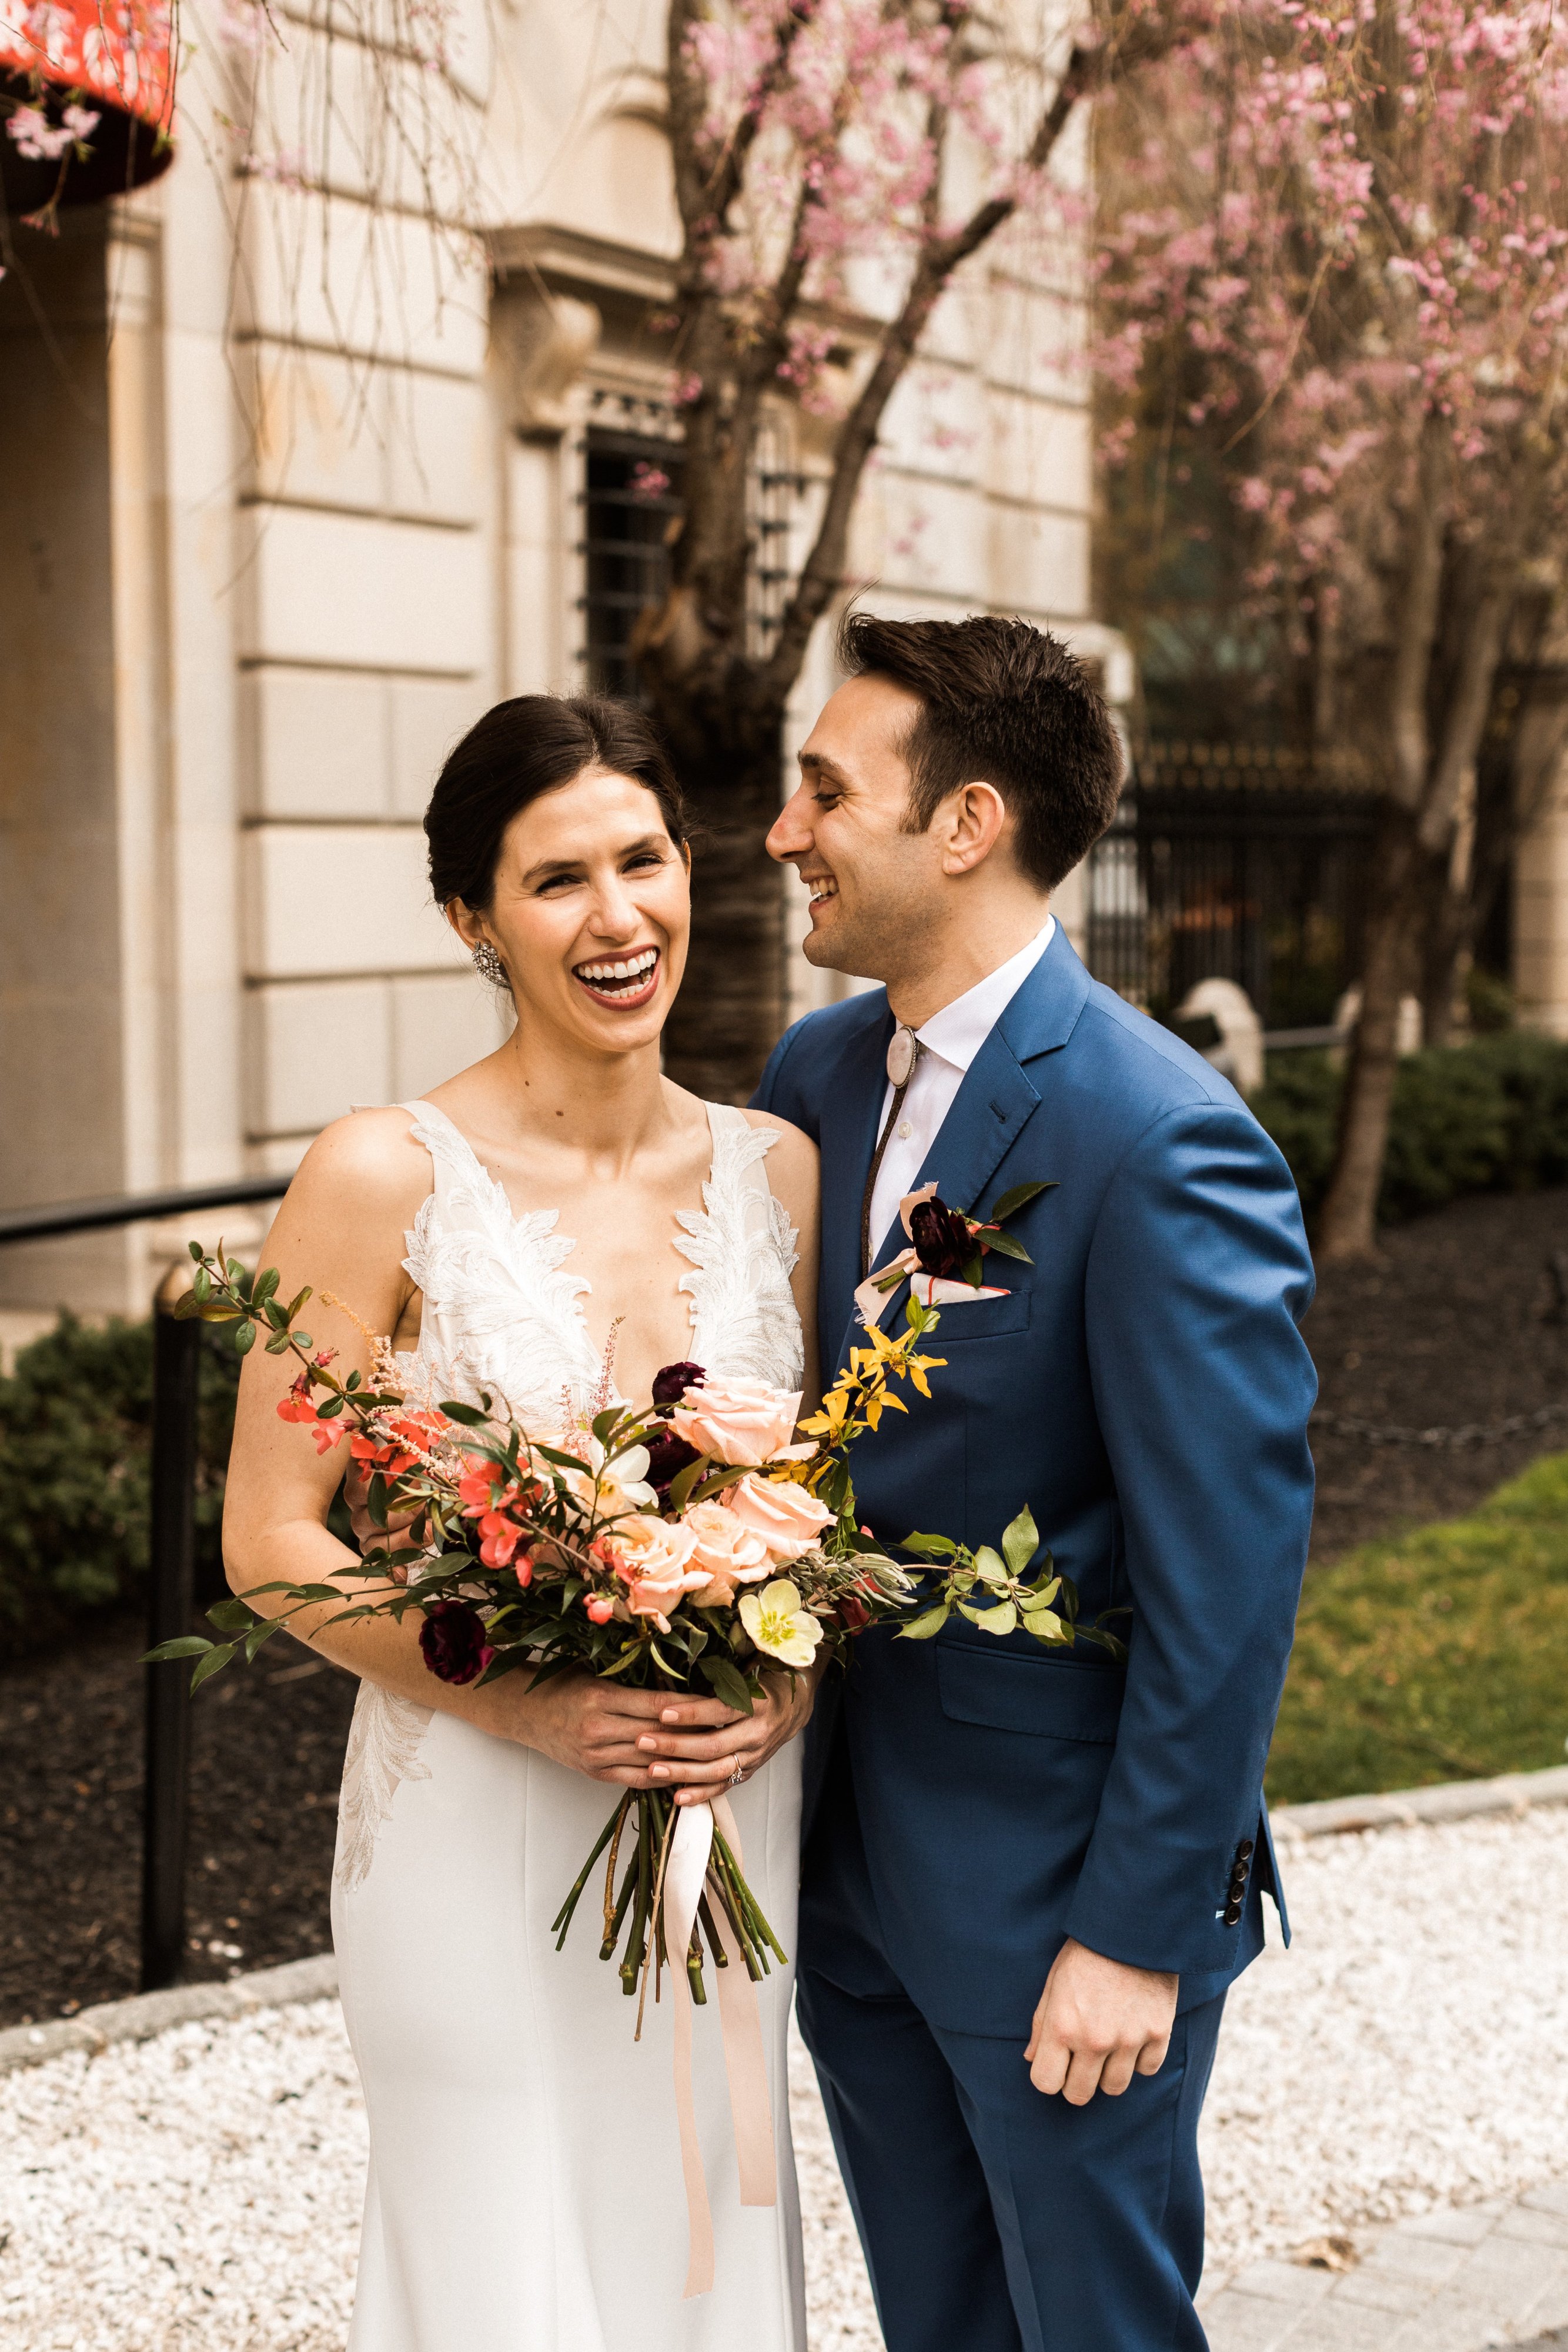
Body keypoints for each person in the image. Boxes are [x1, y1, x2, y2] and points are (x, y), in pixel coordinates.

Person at [220, 696, 822, 2351]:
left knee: (697, 2251)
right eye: (558, 881)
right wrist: (527, 1697)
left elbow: (810, 1513)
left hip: (720, 1819)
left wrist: (784, 1677)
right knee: (503, 2275)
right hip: (468, 1817)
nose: (619, 917)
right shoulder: (375, 1176)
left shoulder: (776, 1172)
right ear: (471, 920)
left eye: (644, 860)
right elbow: (271, 1536)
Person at [753, 612, 1317, 2352]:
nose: (783, 832)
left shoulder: (1159, 1139)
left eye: (823, 790)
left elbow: (1224, 1582)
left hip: (1060, 1906)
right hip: (847, 1882)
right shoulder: (812, 1079)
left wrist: (1135, 1936)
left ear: (966, 824)